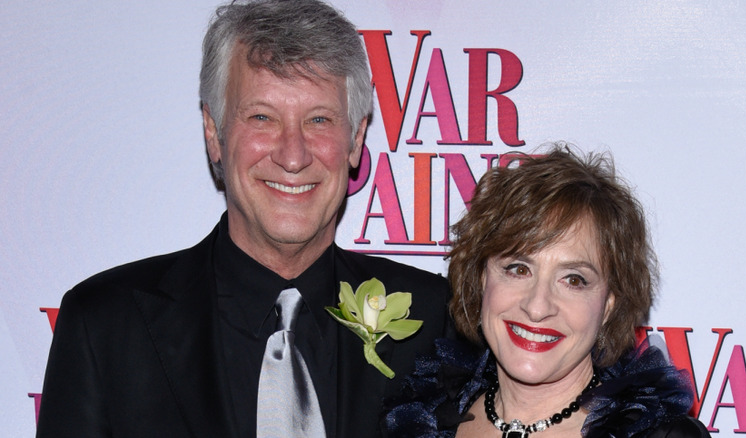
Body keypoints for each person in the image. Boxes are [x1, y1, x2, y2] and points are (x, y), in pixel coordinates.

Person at [36, 1, 451, 437]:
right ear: (214, 133)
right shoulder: (105, 324)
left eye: (319, 119)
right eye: (261, 117)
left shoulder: (435, 321)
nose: (293, 155)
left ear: (356, 138)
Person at [383, 144, 710, 437]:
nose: (538, 307)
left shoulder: (659, 436)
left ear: (609, 304)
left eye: (573, 280)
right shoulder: (422, 421)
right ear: (482, 279)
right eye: (518, 269)